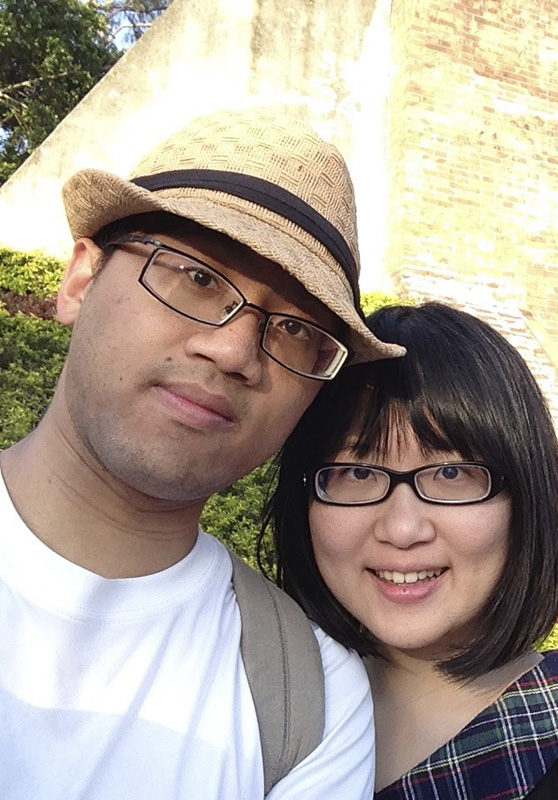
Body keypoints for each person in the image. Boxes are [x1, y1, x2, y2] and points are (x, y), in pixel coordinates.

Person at [0, 107, 404, 798]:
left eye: (295, 329)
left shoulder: (310, 702)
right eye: (196, 277)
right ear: (80, 282)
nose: (234, 350)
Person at [265, 302, 558, 798]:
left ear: (525, 500)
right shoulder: (262, 706)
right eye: (357, 472)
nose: (401, 529)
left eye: (451, 473)